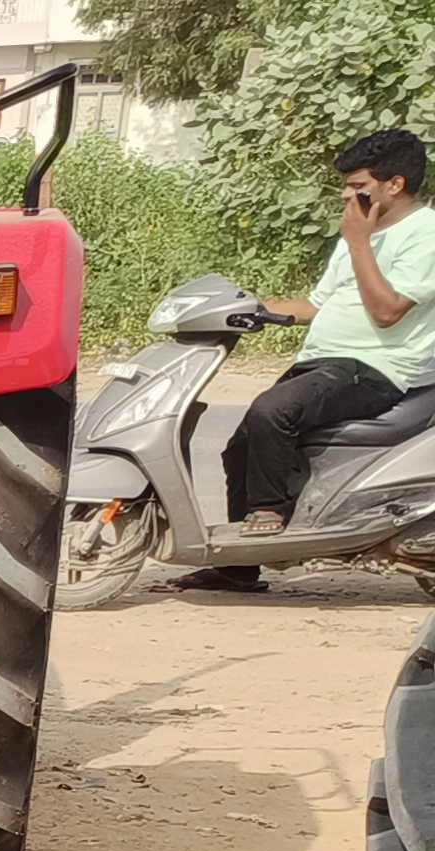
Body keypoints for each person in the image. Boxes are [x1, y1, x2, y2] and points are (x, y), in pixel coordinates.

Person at [193, 128, 435, 591]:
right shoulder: (358, 236)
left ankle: (271, 516)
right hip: (326, 362)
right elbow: (319, 304)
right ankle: (238, 568)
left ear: (395, 185)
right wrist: (249, 309)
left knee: (273, 411)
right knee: (240, 445)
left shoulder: (423, 235)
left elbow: (387, 312)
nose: (347, 195)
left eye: (357, 187)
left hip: (378, 367)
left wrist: (360, 242)